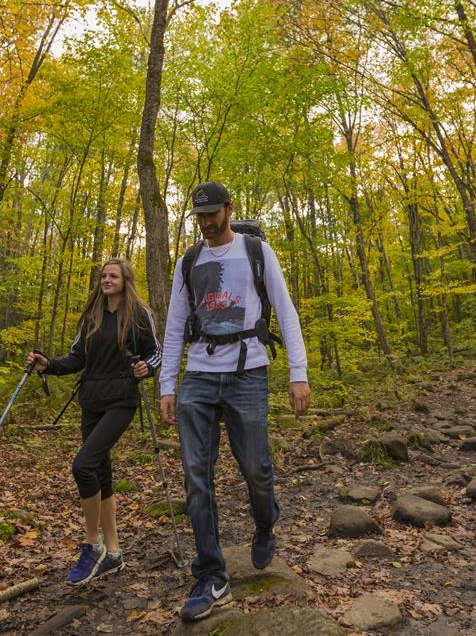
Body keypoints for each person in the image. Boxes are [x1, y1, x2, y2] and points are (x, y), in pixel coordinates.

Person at [159, 181, 310, 622]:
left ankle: (265, 521)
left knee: (256, 469)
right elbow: (175, 325)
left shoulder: (257, 252)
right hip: (199, 375)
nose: (206, 223)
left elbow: (286, 311)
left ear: (229, 209)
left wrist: (298, 374)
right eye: (199, 216)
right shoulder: (189, 261)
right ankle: (211, 574)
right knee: (196, 476)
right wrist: (168, 385)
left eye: (212, 214)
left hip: (248, 372)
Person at [28, 258, 160, 585]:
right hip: (92, 400)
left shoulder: (139, 314)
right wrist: (48, 365)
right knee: (101, 472)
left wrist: (147, 367)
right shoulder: (92, 316)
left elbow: (157, 353)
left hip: (121, 400)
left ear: (125, 280)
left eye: (113, 275)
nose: (106, 280)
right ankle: (113, 553)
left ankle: (92, 545)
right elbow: (77, 358)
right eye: (103, 276)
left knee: (83, 466)